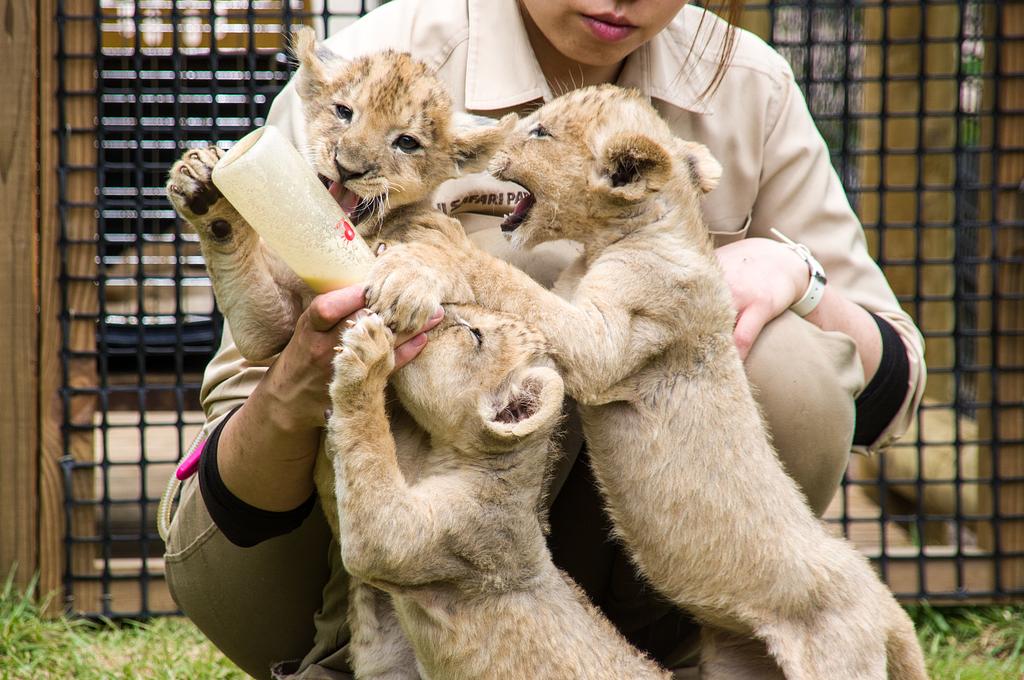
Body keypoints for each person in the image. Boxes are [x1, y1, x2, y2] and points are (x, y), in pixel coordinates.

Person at [163, 1, 926, 678]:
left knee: (791, 362)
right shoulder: (371, 66)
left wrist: (796, 271)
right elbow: (250, 379)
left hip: (570, 553)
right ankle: (355, 653)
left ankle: (646, 647)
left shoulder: (747, 81)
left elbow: (890, 391)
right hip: (300, 533)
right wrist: (323, 371)